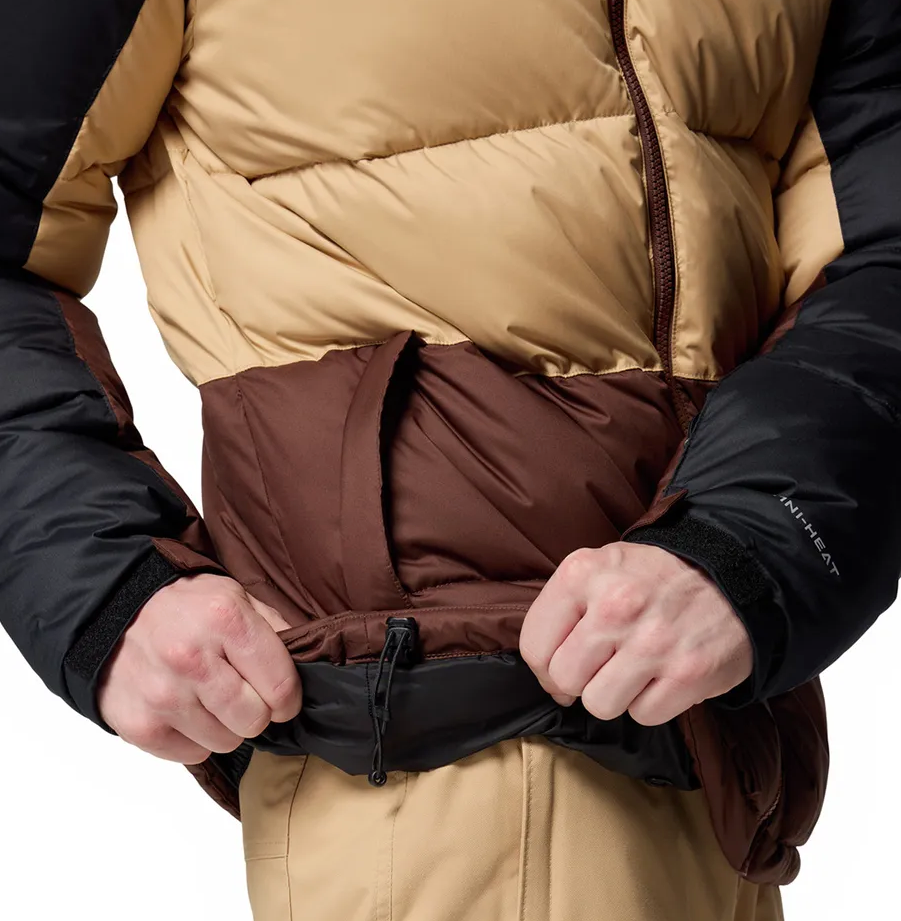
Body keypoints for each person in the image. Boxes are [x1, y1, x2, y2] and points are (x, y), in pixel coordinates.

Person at [1, 0, 899, 918]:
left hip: (720, 751)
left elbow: (878, 255)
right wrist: (100, 583)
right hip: (411, 758)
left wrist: (751, 538)